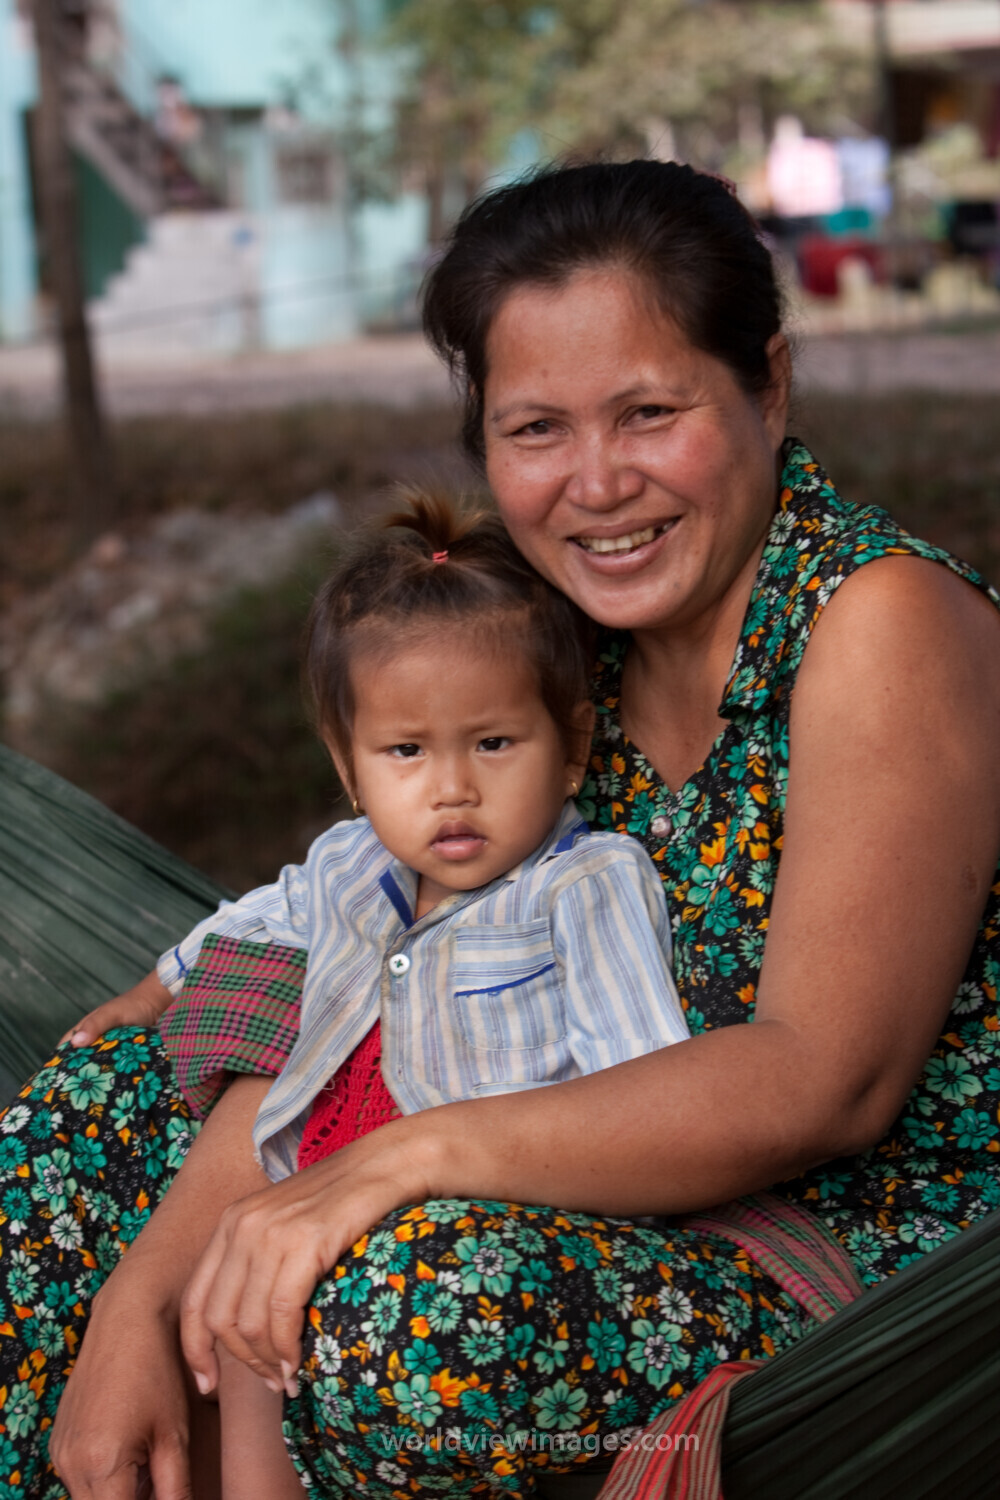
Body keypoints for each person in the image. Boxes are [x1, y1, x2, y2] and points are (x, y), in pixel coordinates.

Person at [1, 158, 998, 1500]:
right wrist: (141, 1293)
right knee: (93, 1114)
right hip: (565, 1191)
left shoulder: (878, 624)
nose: (596, 484)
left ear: (766, 385)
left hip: (854, 1278)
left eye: (649, 412)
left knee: (393, 1309)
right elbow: (370, 961)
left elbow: (826, 1078)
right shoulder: (549, 642)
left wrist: (382, 1164)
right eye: (536, 430)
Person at [151, 489, 690, 1499]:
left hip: (470, 1229)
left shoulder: (584, 882)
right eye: (406, 752)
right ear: (348, 767)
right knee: (242, 1340)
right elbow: (264, 914)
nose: (451, 788)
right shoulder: (355, 860)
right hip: (307, 1194)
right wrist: (154, 987)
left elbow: (643, 1081)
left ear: (570, 745)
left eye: (493, 744)